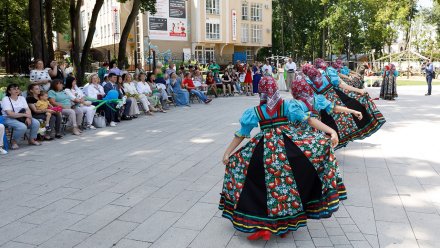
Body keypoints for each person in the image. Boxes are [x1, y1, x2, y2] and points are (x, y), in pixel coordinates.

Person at [219, 76, 346, 240]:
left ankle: (265, 224)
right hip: (288, 149)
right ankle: (285, 222)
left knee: (260, 185)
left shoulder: (256, 112)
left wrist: (228, 152)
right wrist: (331, 131)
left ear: (261, 92)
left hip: (263, 152)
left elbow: (242, 134)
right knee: (288, 185)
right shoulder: (288, 106)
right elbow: (310, 120)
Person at [304, 60, 386, 148]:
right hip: (337, 98)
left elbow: (310, 98)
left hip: (323, 104)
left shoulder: (308, 82)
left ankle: (329, 147)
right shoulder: (325, 74)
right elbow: (341, 85)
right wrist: (359, 90)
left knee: (328, 124)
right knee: (346, 117)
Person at [1, 84, 41, 149]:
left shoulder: (22, 98)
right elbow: (10, 113)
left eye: (17, 88)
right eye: (14, 89)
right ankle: (14, 142)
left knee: (36, 123)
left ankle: (31, 140)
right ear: (9, 91)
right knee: (22, 127)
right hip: (9, 118)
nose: (16, 90)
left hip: (22, 118)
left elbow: (27, 109)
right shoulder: (6, 99)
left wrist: (28, 117)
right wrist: (25, 115)